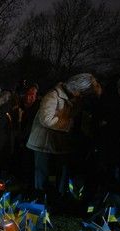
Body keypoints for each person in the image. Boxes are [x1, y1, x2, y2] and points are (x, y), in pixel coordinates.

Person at [26, 73, 102, 201]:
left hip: (59, 142)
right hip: (43, 142)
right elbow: (46, 119)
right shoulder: (53, 95)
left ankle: (58, 196)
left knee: (61, 171)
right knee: (42, 172)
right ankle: (40, 197)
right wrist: (69, 124)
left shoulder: (74, 99)